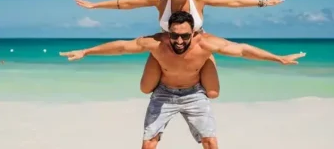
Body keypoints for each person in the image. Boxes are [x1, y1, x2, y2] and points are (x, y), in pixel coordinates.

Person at [60, 11, 305, 149]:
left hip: (194, 93)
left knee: (210, 141)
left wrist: (278, 58)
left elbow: (241, 50)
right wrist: (86, 51)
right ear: (168, 32)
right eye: (174, 36)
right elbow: (122, 47)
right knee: (149, 142)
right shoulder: (156, 42)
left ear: (193, 33)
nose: (179, 41)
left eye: (184, 36)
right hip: (164, 93)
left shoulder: (206, 43)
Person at [73, 0, 287, 99]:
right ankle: (170, 81)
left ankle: (196, 70)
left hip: (196, 44)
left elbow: (233, 2)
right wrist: (95, 5)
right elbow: (126, 3)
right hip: (166, 45)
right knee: (145, 88)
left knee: (212, 93)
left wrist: (265, 2)